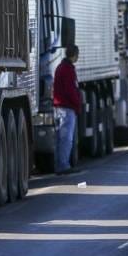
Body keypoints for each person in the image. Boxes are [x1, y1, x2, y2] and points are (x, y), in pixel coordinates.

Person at [53, 45, 81, 175]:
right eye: (77, 55)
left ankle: (60, 164)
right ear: (73, 55)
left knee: (60, 138)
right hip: (67, 108)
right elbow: (71, 90)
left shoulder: (60, 67)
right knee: (67, 139)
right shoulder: (68, 69)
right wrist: (77, 103)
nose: (77, 57)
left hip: (59, 108)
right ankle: (63, 165)